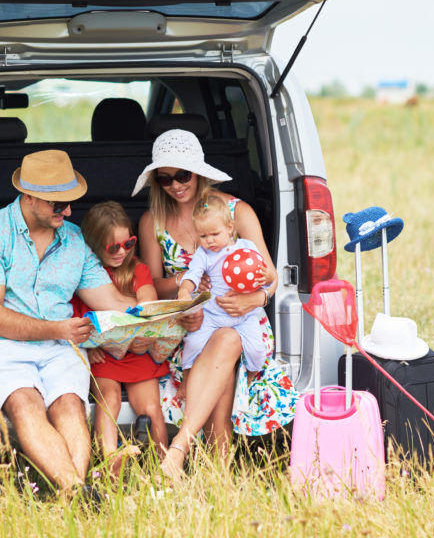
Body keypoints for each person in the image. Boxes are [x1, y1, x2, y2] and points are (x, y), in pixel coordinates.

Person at [0, 150, 135, 498]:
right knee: (26, 403)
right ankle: (77, 490)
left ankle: (77, 495)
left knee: (71, 406)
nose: (68, 212)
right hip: (1, 342)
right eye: (58, 205)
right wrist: (58, 330)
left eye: (70, 202)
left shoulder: (74, 240)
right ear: (28, 196)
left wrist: (162, 311)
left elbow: (113, 303)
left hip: (61, 345)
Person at [133, 129, 292, 482]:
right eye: (165, 178)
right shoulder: (152, 222)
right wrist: (183, 284)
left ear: (199, 171)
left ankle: (180, 453)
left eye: (183, 175)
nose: (175, 185)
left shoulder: (237, 211)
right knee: (220, 344)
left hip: (243, 318)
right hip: (187, 323)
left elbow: (270, 275)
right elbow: (150, 284)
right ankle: (218, 476)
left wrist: (256, 298)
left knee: (229, 339)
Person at [71, 201, 169, 470]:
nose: (121, 252)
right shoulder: (84, 274)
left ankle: (166, 466)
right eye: (113, 247)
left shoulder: (137, 268)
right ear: (92, 242)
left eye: (128, 244)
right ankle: (111, 460)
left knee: (150, 407)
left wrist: (147, 319)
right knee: (108, 400)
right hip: (104, 352)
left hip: (137, 350)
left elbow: (148, 299)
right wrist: (89, 347)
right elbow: (75, 320)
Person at [176, 195, 275, 380]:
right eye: (203, 236)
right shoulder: (203, 254)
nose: (209, 241)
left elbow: (265, 275)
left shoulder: (247, 246)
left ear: (229, 228)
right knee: (192, 344)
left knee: (257, 350)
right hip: (213, 314)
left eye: (214, 234)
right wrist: (184, 291)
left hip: (245, 316)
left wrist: (268, 277)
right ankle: (187, 375)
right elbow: (192, 275)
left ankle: (251, 376)